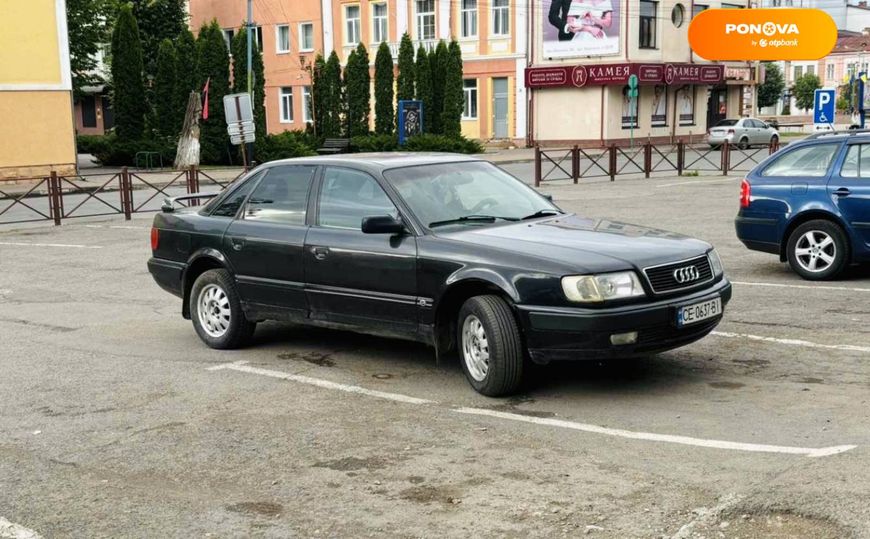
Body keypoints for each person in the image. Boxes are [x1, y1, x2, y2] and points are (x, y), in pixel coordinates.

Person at [549, 0, 613, 41]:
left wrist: (594, 19)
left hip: (596, 35)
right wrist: (589, 29)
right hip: (569, 36)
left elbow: (608, 22)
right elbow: (552, 16)